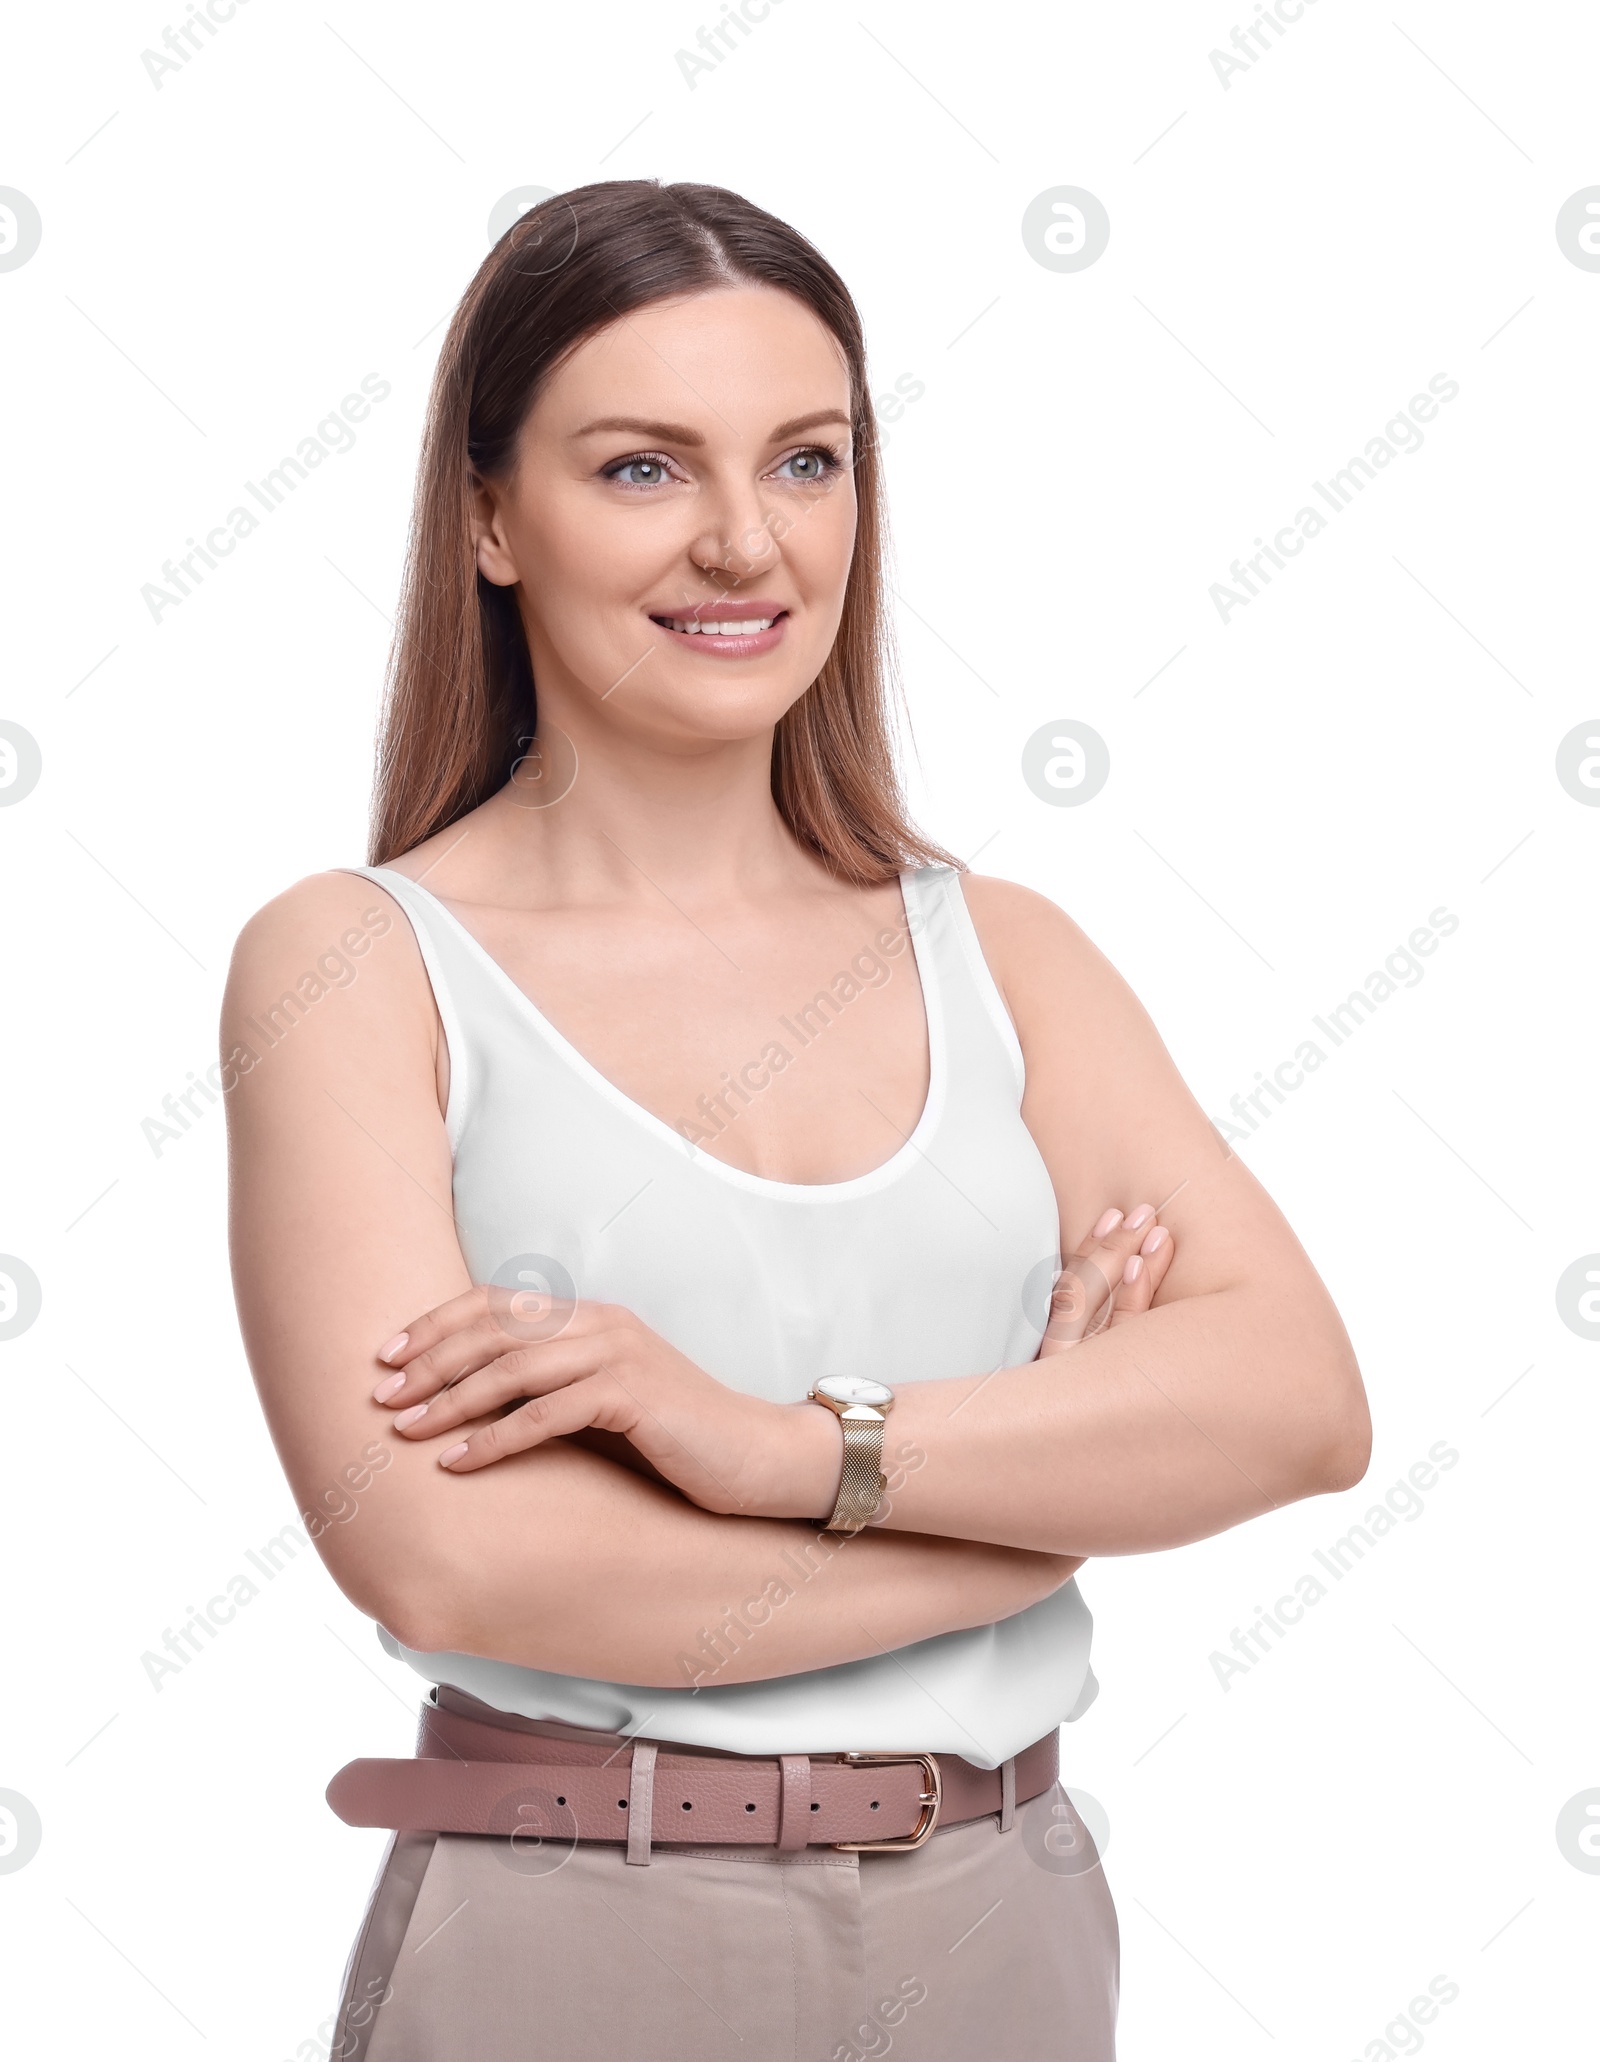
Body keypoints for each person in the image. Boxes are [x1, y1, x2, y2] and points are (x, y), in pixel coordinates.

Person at [223, 178, 1370, 2062]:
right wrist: (1036, 1511)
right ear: (491, 518)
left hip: (1005, 1907)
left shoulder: (1005, 951)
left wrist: (775, 1452)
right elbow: (454, 1556)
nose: (748, 543)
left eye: (809, 461)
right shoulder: (355, 964)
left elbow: (1302, 1404)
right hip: (577, 1925)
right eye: (644, 469)